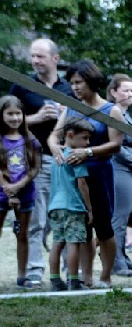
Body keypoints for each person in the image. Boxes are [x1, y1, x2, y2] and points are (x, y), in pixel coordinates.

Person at [48, 59, 123, 289]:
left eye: (79, 82)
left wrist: (87, 151)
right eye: (72, 83)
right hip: (72, 178)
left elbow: (116, 144)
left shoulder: (112, 110)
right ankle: (86, 277)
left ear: (91, 81)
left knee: (103, 226)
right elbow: (54, 136)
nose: (75, 87)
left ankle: (106, 276)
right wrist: (54, 147)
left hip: (99, 174)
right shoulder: (71, 107)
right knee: (82, 229)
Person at [9, 38, 73, 287]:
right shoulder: (23, 86)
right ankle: (34, 271)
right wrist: (35, 118)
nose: (35, 61)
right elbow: (5, 121)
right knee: (36, 219)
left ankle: (70, 269)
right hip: (36, 160)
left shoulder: (69, 89)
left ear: (55, 59)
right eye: (33, 56)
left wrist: (65, 116)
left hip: (66, 161)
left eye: (40, 56)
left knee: (67, 216)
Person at [47, 117, 94, 291]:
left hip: (55, 206)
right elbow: (82, 184)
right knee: (74, 243)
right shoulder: (76, 158)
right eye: (85, 138)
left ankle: (54, 280)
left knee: (57, 242)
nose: (87, 143)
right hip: (72, 206)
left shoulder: (57, 157)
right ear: (70, 135)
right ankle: (74, 280)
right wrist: (89, 208)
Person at [0, 95, 42, 289]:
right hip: (2, 194)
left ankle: (22, 275)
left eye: (18, 113)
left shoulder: (30, 140)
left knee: (22, 233)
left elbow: (35, 168)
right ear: (1, 115)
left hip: (25, 194)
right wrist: (9, 192)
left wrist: (18, 187)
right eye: (10, 113)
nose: (15, 118)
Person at [107, 73, 132, 277]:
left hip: (129, 172)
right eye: (125, 90)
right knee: (118, 218)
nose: (130, 94)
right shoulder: (113, 112)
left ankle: (123, 258)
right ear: (113, 92)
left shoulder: (126, 114)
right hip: (118, 169)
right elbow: (117, 147)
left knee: (124, 216)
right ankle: (116, 262)